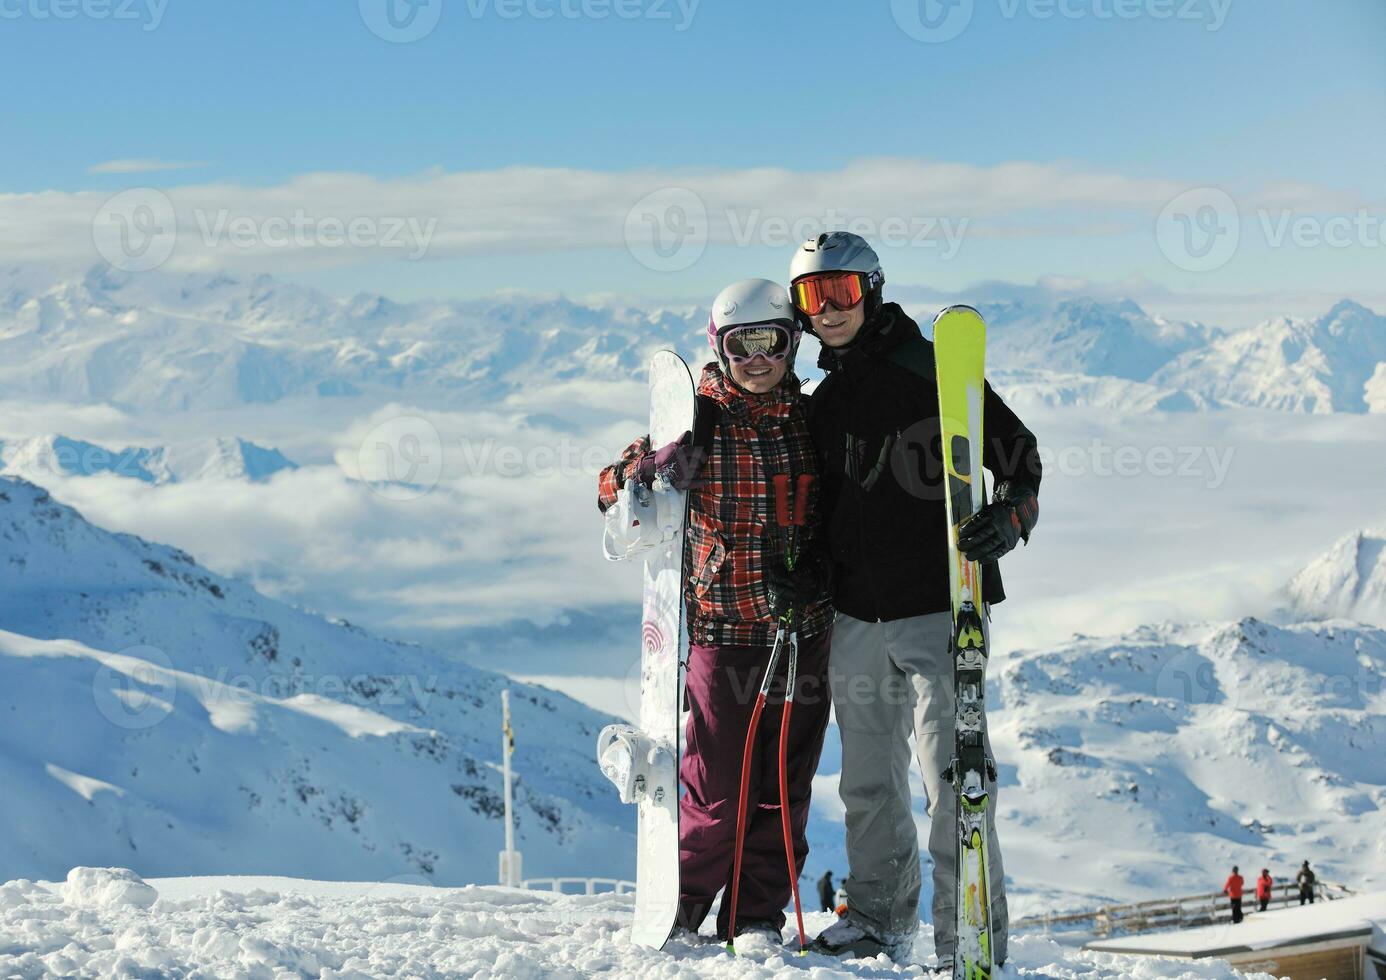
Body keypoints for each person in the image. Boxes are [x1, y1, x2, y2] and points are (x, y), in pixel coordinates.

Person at [794, 232, 1041, 965]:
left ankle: (967, 933)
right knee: (868, 782)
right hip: (855, 614)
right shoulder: (825, 401)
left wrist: (1014, 512)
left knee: (952, 776)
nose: (828, 309)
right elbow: (819, 504)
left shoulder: (930, 369)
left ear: (870, 289)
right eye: (813, 296)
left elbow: (1018, 452)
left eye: (840, 292)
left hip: (941, 606)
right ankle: (877, 917)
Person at [597, 278, 834, 942]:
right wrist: (647, 470)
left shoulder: (812, 421)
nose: (757, 360)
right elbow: (610, 487)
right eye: (741, 346)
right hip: (723, 630)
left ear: (793, 345)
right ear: (719, 348)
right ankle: (683, 905)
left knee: (783, 789)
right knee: (715, 789)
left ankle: (754, 914)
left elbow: (841, 518)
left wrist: (820, 570)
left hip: (802, 630)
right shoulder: (700, 422)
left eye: (771, 343)